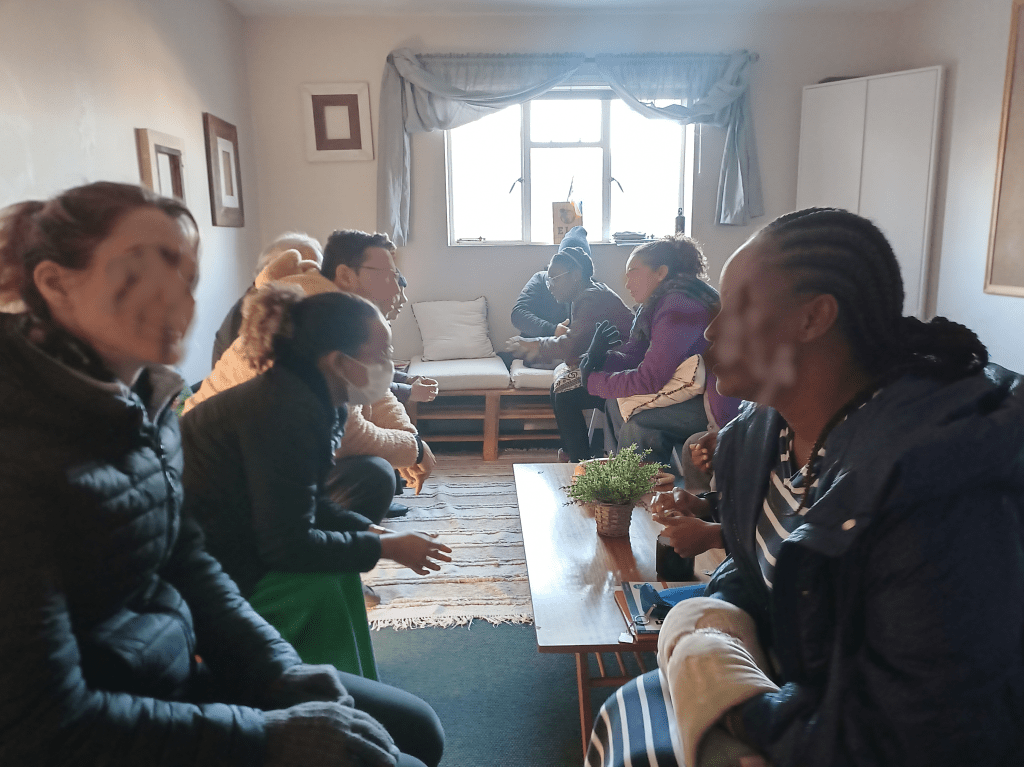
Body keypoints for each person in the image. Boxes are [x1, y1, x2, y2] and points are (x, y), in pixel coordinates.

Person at [0, 181, 416, 766]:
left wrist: (279, 672)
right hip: (103, 724)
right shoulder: (19, 455)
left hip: (172, 674)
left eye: (185, 275)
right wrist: (267, 737)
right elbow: (41, 728)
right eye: (142, 270)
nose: (177, 297)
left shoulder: (147, 407)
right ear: (54, 283)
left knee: (414, 732)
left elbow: (189, 564)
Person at [654, 208, 1024, 766]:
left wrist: (736, 701)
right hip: (801, 703)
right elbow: (760, 574)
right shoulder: (759, 434)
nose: (710, 331)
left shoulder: (936, 493)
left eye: (739, 306)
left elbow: (921, 736)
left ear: (813, 318)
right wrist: (709, 625)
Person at [181, 285, 448, 765]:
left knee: (340, 569)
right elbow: (288, 545)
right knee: (326, 576)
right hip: (214, 574)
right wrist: (385, 549)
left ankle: (342, 688)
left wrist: (378, 535)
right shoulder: (282, 409)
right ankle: (324, 699)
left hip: (240, 543)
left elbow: (312, 505)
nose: (389, 365)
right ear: (339, 362)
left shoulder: (317, 399)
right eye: (381, 353)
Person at [583, 234, 741, 468]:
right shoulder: (656, 305)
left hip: (719, 405)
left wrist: (594, 382)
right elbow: (636, 356)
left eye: (633, 272)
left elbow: (650, 379)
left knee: (641, 425)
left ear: (661, 273)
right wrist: (602, 359)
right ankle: (621, 473)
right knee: (614, 404)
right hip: (693, 392)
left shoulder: (681, 306)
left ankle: (641, 487)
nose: (627, 283)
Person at [507, 232, 633, 462]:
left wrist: (536, 345)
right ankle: (572, 455)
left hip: (624, 369)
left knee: (565, 393)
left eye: (554, 279)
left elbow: (570, 347)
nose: (550, 286)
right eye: (548, 279)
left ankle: (578, 462)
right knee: (561, 387)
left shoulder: (591, 298)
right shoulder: (587, 294)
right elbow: (578, 345)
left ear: (575, 275)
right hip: (612, 364)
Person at [211, 231, 323, 367]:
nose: (306, 280)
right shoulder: (246, 316)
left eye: (314, 270)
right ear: (266, 273)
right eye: (297, 270)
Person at [509, 226, 578, 338]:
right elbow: (518, 315)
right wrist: (553, 330)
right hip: (538, 343)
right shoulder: (541, 279)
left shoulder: (591, 289)